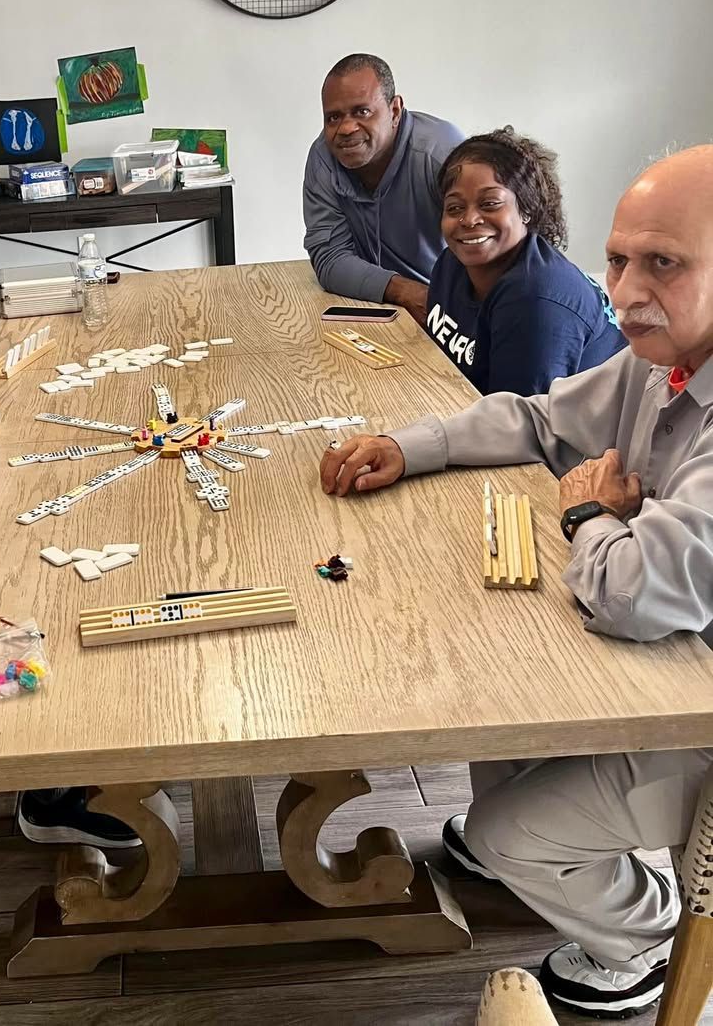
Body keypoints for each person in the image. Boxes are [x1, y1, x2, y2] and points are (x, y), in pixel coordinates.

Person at [320, 145, 713, 1019]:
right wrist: (409, 445)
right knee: (498, 692)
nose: (625, 290)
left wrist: (587, 515)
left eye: (665, 263)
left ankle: (646, 941)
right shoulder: (661, 357)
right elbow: (540, 417)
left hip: (692, 707)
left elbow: (636, 593)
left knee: (503, 828)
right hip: (659, 665)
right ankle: (562, 842)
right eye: (618, 258)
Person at [426, 127, 625, 395]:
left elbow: (520, 426)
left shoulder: (537, 300)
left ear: (527, 210)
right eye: (455, 208)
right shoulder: (451, 264)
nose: (469, 219)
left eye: (490, 203)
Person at [303, 53, 464, 326]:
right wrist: (404, 291)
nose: (346, 128)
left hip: (452, 311)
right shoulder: (324, 159)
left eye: (361, 111)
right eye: (333, 118)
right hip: (382, 307)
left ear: (395, 111)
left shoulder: (442, 154)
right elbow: (330, 258)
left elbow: (491, 251)